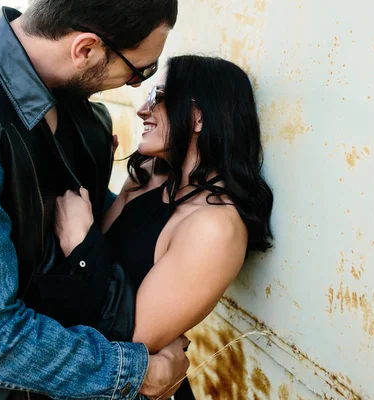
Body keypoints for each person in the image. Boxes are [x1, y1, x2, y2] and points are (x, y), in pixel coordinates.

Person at [0, 1, 190, 399]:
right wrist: (138, 371)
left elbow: (55, 230)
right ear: (85, 49)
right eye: (139, 70)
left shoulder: (76, 106)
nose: (135, 87)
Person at [54, 55, 274, 398]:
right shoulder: (150, 178)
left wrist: (80, 246)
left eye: (159, 97)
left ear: (198, 116)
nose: (144, 109)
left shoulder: (214, 226)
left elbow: (131, 339)